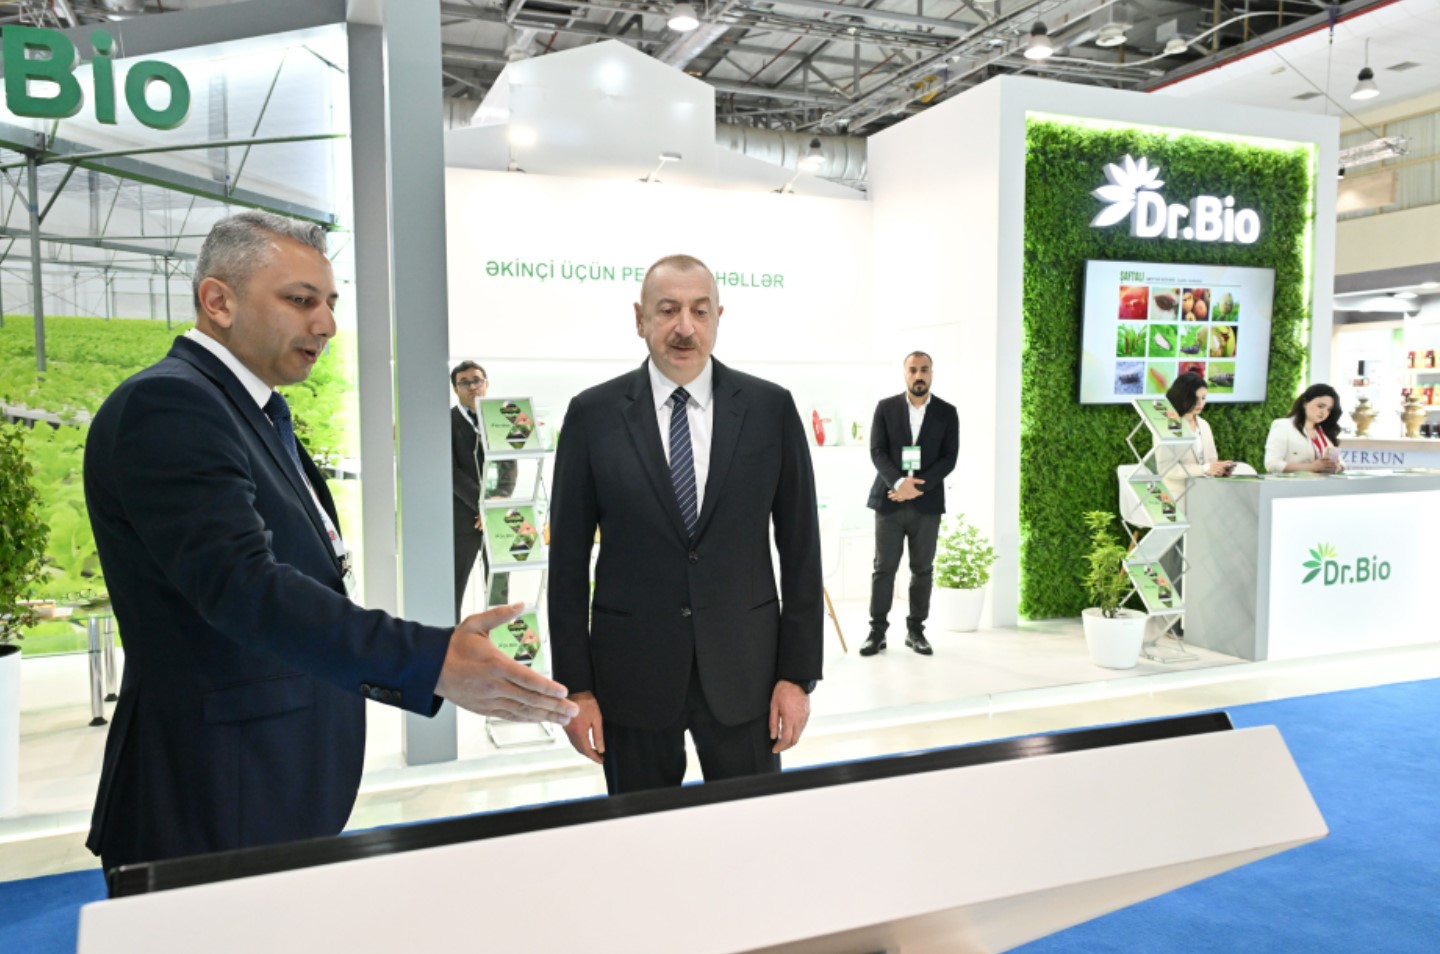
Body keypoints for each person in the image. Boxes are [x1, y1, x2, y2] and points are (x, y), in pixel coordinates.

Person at [83, 212, 577, 870]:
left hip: (260, 785)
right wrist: (432, 660)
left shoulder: (249, 409)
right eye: (300, 300)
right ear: (218, 301)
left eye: (331, 303)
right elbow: (244, 588)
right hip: (214, 796)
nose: (325, 325)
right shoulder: (172, 406)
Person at [548, 253, 823, 795]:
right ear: (640, 319)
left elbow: (800, 550)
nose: (684, 327)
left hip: (747, 675)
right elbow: (568, 564)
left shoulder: (770, 409)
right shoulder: (592, 415)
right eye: (668, 309)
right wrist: (576, 690)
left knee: (750, 826)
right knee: (642, 833)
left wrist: (796, 676)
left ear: (718, 317)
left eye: (699, 311)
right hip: (631, 676)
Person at [861, 351, 960, 657]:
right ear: (905, 373)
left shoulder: (947, 412)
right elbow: (877, 451)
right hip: (889, 501)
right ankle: (877, 632)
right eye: (913, 370)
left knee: (922, 569)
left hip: (926, 505)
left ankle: (916, 631)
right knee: (883, 569)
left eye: (924, 370)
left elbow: (949, 458)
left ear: (932, 373)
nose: (919, 375)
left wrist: (917, 488)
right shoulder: (885, 408)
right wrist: (898, 483)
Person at [451, 360, 515, 618]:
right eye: (464, 382)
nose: (472, 386)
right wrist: (482, 505)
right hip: (464, 520)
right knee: (454, 590)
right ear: (455, 389)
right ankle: (452, 638)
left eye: (477, 380)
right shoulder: (447, 421)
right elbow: (451, 471)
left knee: (499, 590)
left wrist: (497, 502)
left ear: (486, 384)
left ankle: (497, 638)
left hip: (497, 518)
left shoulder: (500, 421)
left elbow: (509, 466)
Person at [1156, 371, 1235, 501]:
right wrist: (1204, 469)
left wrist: (1218, 469)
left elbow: (1211, 460)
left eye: (1203, 398)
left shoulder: (1204, 425)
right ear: (1183, 396)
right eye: (1195, 398)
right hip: (1177, 498)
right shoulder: (1167, 425)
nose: (1200, 404)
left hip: (1203, 495)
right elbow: (1166, 468)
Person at [1265, 383, 1345, 475]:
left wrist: (1336, 466)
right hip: (1291, 483)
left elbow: (1342, 463)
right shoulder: (1283, 426)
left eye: (1329, 409)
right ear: (1305, 403)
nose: (1324, 412)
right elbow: (1272, 464)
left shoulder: (1323, 431)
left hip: (1320, 483)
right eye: (1320, 406)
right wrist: (1312, 467)